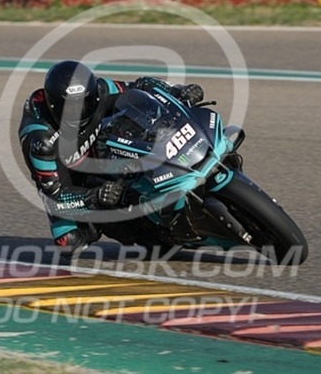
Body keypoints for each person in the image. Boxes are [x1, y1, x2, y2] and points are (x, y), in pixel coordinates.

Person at [18, 60, 204, 253]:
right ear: (53, 106)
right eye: (70, 109)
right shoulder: (41, 142)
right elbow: (55, 198)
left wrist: (178, 91)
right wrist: (95, 196)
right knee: (69, 241)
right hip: (69, 177)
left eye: (84, 104)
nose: (78, 113)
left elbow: (140, 86)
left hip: (101, 145)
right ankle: (139, 230)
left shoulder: (100, 89)